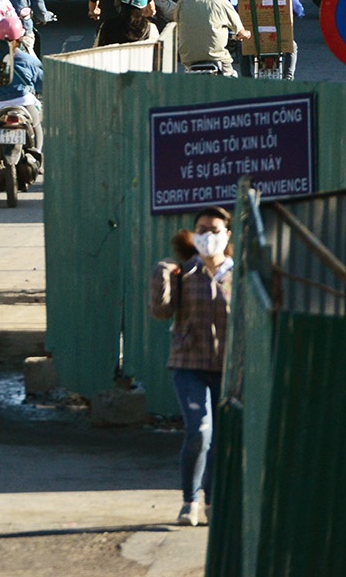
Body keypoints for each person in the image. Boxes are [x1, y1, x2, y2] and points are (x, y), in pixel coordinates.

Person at [150, 208, 233, 528]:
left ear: (227, 236)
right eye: (201, 230)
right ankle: (190, 501)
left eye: (214, 230)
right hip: (188, 365)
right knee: (200, 430)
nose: (207, 236)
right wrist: (162, 276)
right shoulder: (183, 272)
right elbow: (160, 313)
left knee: (220, 438)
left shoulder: (237, 274)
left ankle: (213, 500)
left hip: (227, 368)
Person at [172, 0, 251, 72]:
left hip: (188, 59)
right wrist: (245, 34)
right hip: (217, 58)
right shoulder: (221, 2)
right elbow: (241, 32)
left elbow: (174, 24)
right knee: (231, 79)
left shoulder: (182, 2)